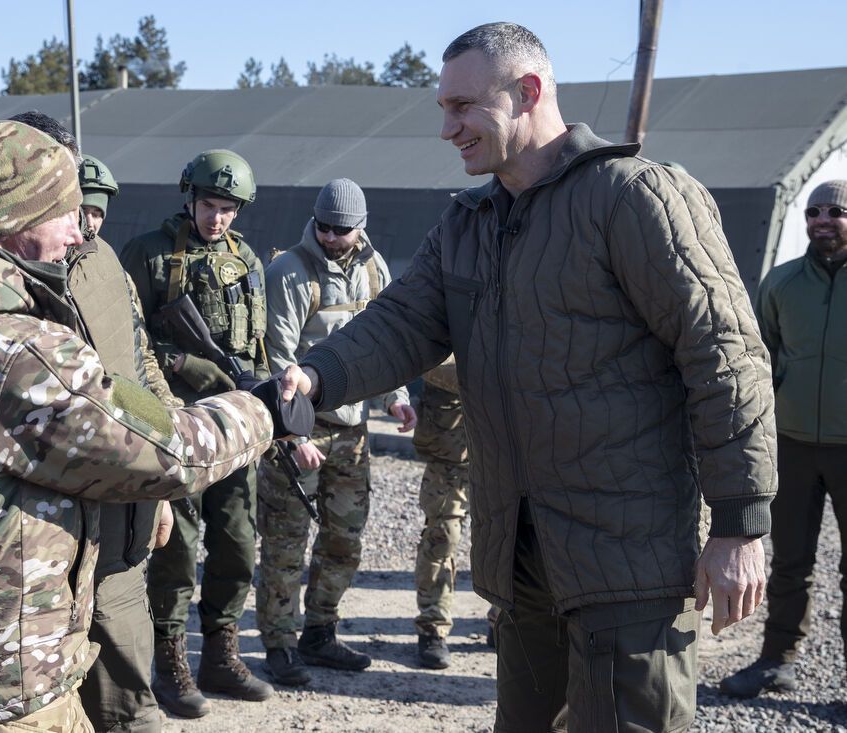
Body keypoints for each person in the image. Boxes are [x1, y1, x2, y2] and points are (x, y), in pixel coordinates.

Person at [284, 22, 776, 731]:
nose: (447, 128)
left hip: (625, 565)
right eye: (442, 108)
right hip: (523, 562)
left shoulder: (633, 197)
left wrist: (739, 523)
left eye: (463, 106)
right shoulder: (469, 224)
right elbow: (400, 323)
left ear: (529, 91)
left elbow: (725, 355)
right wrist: (314, 375)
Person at [0, 120, 279, 731]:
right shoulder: (4, 347)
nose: (79, 232)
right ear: (19, 217)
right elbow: (172, 453)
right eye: (65, 213)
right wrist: (266, 409)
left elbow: (136, 368)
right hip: (1, 681)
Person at [121, 149, 274, 717]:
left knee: (237, 539)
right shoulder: (149, 254)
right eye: (210, 205)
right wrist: (184, 365)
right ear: (190, 199)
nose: (218, 218)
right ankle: (170, 664)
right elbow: (125, 342)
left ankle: (221, 655)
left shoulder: (246, 258)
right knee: (178, 547)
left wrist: (264, 399)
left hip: (234, 421)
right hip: (177, 423)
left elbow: (256, 342)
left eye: (229, 209)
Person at [256, 179, 416, 686]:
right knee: (285, 542)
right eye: (322, 226)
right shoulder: (288, 272)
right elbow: (277, 359)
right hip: (300, 431)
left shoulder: (374, 268)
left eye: (340, 229)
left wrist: (396, 397)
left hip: (353, 432)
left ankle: (320, 632)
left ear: (360, 227)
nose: (328, 236)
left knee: (344, 539)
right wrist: (294, 436)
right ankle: (280, 643)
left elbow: (386, 342)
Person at [720, 180, 847, 698]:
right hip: (792, 444)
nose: (823, 219)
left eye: (836, 211)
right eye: (814, 211)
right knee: (790, 562)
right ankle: (777, 660)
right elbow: (762, 357)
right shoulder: (782, 282)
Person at [69, 150, 179, 733]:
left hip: (121, 507)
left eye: (96, 213)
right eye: (78, 210)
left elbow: (140, 366)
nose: (87, 223)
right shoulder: (21, 276)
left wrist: (163, 470)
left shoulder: (108, 266)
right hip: (57, 518)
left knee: (123, 661)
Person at [411, 357, 471, 669]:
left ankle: (506, 620)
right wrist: (488, 372)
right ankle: (433, 627)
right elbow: (425, 358)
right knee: (442, 537)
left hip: (509, 447)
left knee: (511, 538)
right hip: (451, 445)